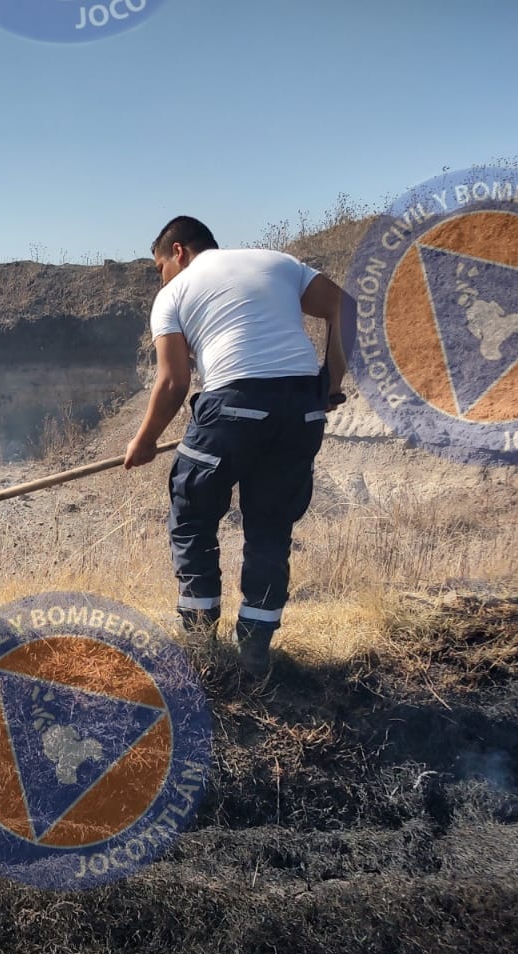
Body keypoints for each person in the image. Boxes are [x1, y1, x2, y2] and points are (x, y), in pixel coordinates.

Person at [123, 216, 350, 675]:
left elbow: (173, 382)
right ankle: (254, 653)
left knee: (193, 514)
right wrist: (331, 383)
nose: (161, 276)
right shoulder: (278, 262)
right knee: (270, 528)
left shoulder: (173, 293)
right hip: (300, 411)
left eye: (159, 265)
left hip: (233, 406)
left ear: (179, 252)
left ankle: (200, 645)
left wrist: (144, 441)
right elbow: (346, 307)